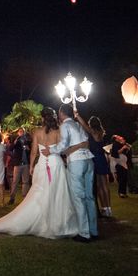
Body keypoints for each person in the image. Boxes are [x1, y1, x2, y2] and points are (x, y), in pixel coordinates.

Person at [0, 107, 78, 239]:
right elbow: (63, 149)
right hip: (56, 164)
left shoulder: (37, 132)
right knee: (57, 193)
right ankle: (57, 222)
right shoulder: (58, 131)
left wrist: (32, 166)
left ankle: (43, 220)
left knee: (41, 193)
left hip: (43, 165)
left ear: (43, 118)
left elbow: (33, 152)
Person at [42, 104, 98, 242]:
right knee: (90, 196)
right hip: (89, 160)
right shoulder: (79, 125)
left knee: (78, 196)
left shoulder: (65, 126)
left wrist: (51, 150)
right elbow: (86, 142)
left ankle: (84, 233)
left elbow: (63, 144)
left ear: (61, 113)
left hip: (77, 161)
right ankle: (93, 230)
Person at [76, 113, 112, 217]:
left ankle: (104, 208)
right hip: (102, 158)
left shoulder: (93, 132)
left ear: (91, 124)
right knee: (105, 185)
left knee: (99, 185)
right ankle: (108, 208)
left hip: (95, 158)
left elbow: (84, 126)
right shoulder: (100, 132)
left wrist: (77, 115)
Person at [7, 128, 32, 205]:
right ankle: (12, 198)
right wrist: (14, 142)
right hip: (17, 164)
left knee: (25, 182)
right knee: (15, 182)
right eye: (20, 131)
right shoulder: (16, 140)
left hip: (26, 164)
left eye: (22, 131)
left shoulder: (27, 141)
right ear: (18, 133)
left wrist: (28, 149)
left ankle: (25, 198)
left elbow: (31, 151)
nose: (21, 133)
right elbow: (10, 149)